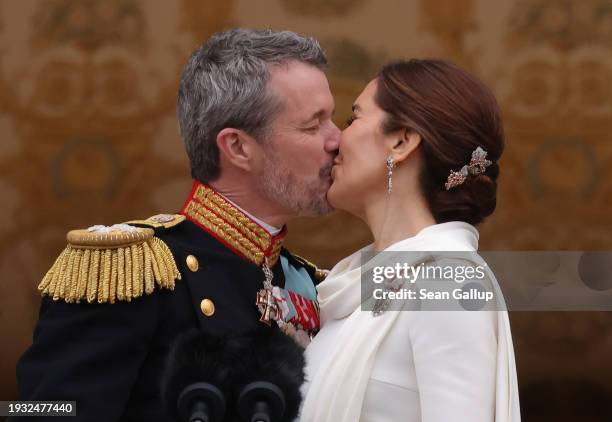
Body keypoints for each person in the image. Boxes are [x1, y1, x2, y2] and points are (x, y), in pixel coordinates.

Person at [14, 28, 339, 422]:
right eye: (313, 125)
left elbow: (430, 284)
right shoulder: (129, 270)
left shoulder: (308, 280)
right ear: (237, 147)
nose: (337, 140)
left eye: (333, 119)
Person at [300, 59, 520, 421]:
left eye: (354, 119)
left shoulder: (447, 282)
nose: (336, 140)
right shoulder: (354, 285)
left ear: (401, 141)